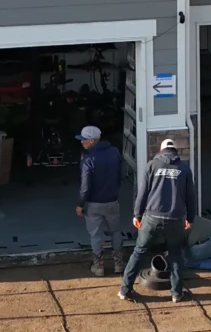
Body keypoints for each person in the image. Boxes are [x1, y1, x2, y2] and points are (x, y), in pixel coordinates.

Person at [120, 137, 194, 303]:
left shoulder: (152, 165)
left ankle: (125, 290)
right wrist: (190, 218)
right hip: (175, 218)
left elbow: (142, 194)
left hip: (151, 218)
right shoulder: (184, 169)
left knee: (138, 252)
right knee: (175, 254)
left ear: (160, 151)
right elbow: (190, 197)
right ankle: (176, 294)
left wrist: (137, 214)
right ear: (175, 152)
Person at [76, 124, 123, 276]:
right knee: (115, 231)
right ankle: (118, 264)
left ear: (91, 140)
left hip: (94, 203)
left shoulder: (88, 157)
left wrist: (80, 204)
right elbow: (119, 175)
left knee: (95, 235)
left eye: (84, 139)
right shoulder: (114, 152)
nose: (81, 142)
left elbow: (85, 186)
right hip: (112, 201)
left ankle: (99, 266)